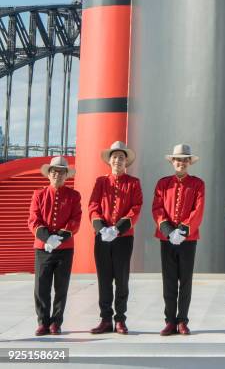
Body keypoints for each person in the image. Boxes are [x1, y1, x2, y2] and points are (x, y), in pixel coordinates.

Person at [88, 141, 143, 335]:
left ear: (126, 161)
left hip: (123, 237)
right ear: (109, 161)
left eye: (121, 157)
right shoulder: (100, 182)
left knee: (121, 279)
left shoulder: (133, 183)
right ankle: (105, 319)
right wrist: (102, 228)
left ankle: (120, 319)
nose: (117, 160)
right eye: (114, 157)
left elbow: (135, 208)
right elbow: (93, 206)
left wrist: (117, 229)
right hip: (102, 237)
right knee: (104, 279)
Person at [152, 143, 205, 336]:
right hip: (167, 239)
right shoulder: (163, 183)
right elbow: (157, 208)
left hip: (187, 239)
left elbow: (197, 210)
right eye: (177, 159)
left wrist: (181, 231)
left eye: (184, 160)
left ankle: (182, 320)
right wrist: (168, 231)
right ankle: (169, 321)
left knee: (185, 281)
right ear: (172, 161)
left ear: (189, 162)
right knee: (169, 280)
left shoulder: (198, 183)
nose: (181, 163)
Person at [28, 156, 82, 336]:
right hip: (42, 248)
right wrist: (47, 238)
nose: (57, 175)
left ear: (66, 175)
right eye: (54, 171)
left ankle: (56, 322)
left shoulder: (74, 196)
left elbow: (75, 219)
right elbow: (34, 220)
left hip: (65, 248)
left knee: (61, 287)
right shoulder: (39, 194)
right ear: (49, 174)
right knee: (41, 286)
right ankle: (43, 322)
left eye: (61, 172)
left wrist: (58, 238)